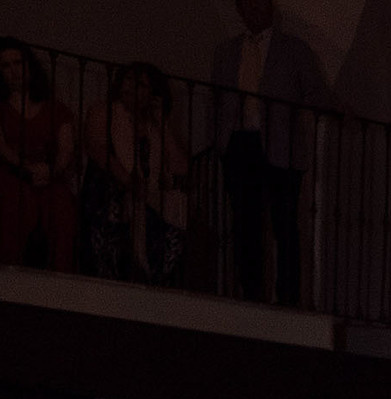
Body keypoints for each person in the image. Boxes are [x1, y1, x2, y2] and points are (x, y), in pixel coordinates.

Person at [211, 0, 329, 306]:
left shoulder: (294, 49)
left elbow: (314, 91)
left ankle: (287, 296)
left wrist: (335, 108)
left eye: (259, 4)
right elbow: (217, 100)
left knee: (284, 223)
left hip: (280, 146)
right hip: (239, 142)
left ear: (271, 9)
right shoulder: (226, 52)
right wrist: (220, 141)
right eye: (246, 6)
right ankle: (251, 293)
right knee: (245, 224)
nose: (253, 11)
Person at [82, 63, 186, 286]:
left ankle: (155, 277)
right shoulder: (104, 111)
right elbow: (98, 150)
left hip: (149, 196)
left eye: (139, 84)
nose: (129, 87)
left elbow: (179, 169)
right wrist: (129, 181)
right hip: (114, 187)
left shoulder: (154, 126)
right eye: (127, 80)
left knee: (175, 207)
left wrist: (163, 125)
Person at [0, 38, 73, 269]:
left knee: (62, 208)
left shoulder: (56, 109)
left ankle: (62, 276)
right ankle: (8, 271)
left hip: (48, 174)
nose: (14, 71)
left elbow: (66, 148)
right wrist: (25, 168)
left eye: (18, 63)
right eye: (6, 65)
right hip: (9, 171)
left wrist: (51, 170)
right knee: (19, 205)